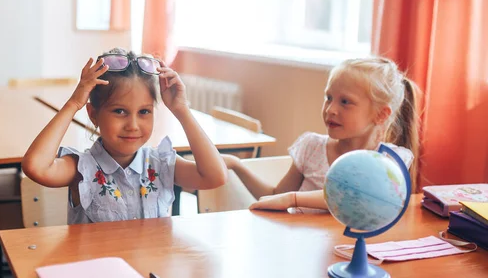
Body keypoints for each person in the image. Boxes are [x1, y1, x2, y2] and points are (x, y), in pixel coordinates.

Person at [22, 48, 227, 223]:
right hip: (96, 269)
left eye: (144, 112)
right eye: (120, 111)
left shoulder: (160, 164)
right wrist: (74, 103)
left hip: (149, 267)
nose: (133, 125)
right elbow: (36, 166)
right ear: (93, 114)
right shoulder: (82, 168)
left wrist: (181, 110)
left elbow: (215, 176)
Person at [223, 57, 419, 212]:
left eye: (345, 102)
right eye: (329, 98)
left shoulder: (389, 161)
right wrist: (236, 165)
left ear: (380, 114)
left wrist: (294, 199)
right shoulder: (311, 147)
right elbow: (276, 196)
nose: (331, 109)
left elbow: (355, 198)